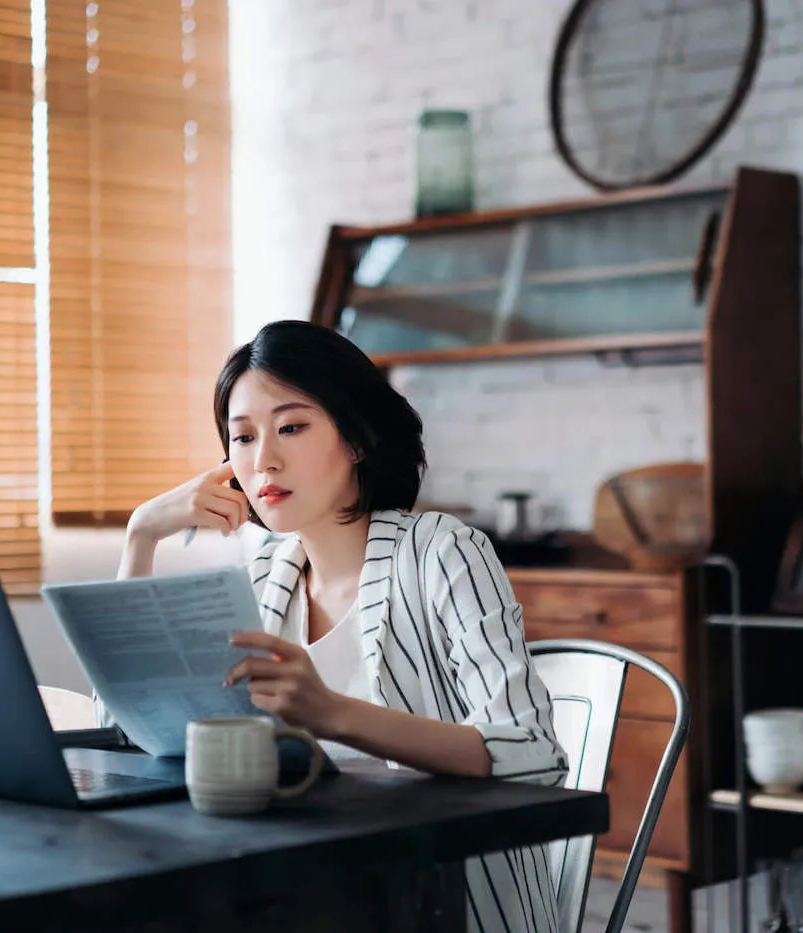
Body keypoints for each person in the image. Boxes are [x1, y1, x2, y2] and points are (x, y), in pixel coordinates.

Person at [118, 320, 569, 932]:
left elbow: (532, 752)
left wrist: (332, 713)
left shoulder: (440, 551)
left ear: (356, 438)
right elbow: (129, 731)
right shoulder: (262, 579)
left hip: (441, 899)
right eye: (242, 438)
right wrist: (141, 535)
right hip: (311, 888)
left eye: (292, 427)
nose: (264, 460)